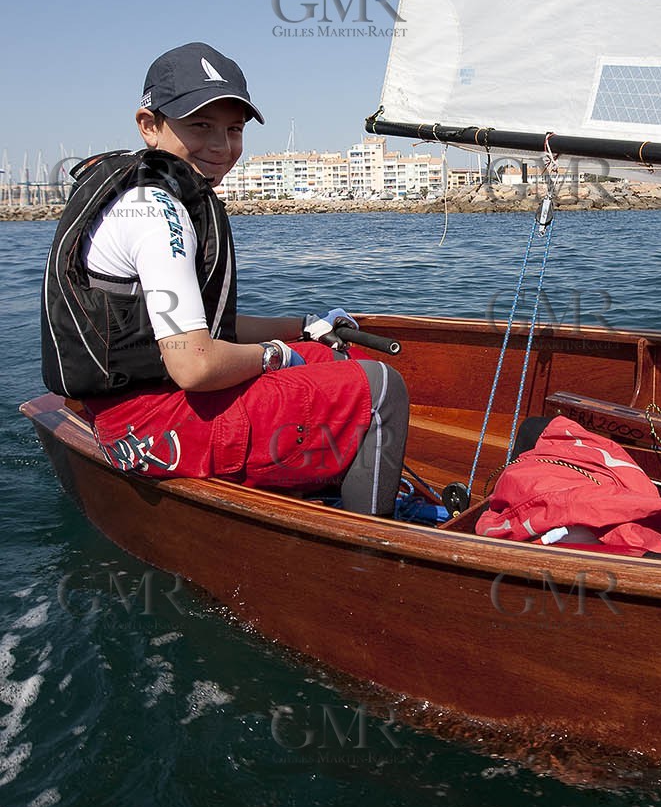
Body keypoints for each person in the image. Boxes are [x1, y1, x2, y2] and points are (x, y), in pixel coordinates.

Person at [41, 41, 408, 515]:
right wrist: (277, 355)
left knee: (334, 354)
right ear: (149, 126)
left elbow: (210, 328)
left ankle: (309, 489)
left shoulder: (146, 192)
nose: (221, 146)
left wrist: (302, 326)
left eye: (233, 129)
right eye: (200, 125)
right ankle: (365, 552)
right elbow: (194, 365)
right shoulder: (158, 211)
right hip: (152, 427)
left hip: (132, 412)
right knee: (381, 388)